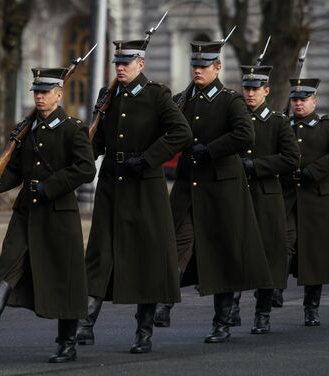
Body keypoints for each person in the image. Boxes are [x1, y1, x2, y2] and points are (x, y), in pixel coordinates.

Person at [0, 67, 96, 363]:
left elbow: (86, 169)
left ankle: (67, 343)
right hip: (26, 210)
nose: (39, 97)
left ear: (59, 95)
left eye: (45, 92)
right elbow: (17, 171)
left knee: (65, 278)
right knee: (7, 264)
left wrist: (51, 187)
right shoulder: (27, 128)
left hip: (57, 212)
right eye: (36, 92)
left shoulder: (73, 128)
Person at [76, 39, 192, 353]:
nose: (121, 68)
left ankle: (144, 332)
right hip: (113, 185)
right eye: (118, 63)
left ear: (141, 64)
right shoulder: (107, 95)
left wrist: (150, 157)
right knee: (100, 252)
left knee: (147, 259)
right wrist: (81, 158)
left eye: (127, 62)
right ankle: (84, 324)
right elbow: (98, 140)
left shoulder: (157, 94)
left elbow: (181, 132)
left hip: (145, 186)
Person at [154, 40, 272, 343]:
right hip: (187, 187)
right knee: (174, 243)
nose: (198, 70)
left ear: (217, 68)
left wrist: (212, 150)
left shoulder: (230, 100)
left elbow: (244, 135)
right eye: (195, 65)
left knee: (222, 254)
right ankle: (164, 302)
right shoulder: (182, 100)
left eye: (204, 66)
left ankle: (221, 322)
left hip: (221, 188)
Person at [228, 65, 300, 334]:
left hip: (267, 196)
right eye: (246, 88)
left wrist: (257, 166)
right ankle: (231, 308)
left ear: (266, 91)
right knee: (235, 253)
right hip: (238, 195)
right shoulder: (234, 119)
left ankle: (262, 314)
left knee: (269, 257)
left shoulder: (278, 122)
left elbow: (292, 158)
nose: (250, 94)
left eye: (255, 89)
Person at [280, 77, 329, 326]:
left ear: (314, 101)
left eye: (304, 99)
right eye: (295, 99)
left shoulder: (327, 126)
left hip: (317, 199)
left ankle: (311, 308)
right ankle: (275, 290)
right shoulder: (284, 125)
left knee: (315, 255)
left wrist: (315, 170)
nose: (298, 103)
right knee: (283, 242)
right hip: (288, 196)